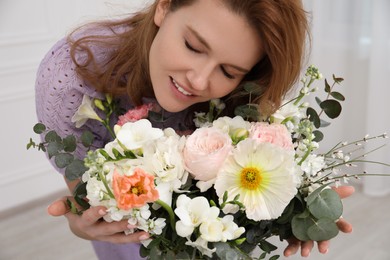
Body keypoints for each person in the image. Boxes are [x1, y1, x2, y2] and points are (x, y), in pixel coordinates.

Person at [35, 0, 354, 259]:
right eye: (193, 46)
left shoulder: (242, 95)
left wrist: (296, 208)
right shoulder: (72, 82)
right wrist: (82, 225)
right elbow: (87, 201)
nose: (199, 81)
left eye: (229, 71)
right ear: (164, 6)